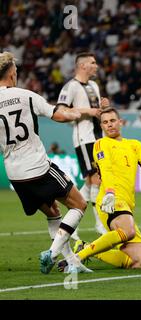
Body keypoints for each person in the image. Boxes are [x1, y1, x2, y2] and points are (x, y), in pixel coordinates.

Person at [0, 51, 90, 274]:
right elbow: (57, 115)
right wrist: (77, 113)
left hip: (15, 174)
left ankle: (71, 263)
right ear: (12, 73)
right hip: (38, 167)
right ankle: (51, 253)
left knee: (53, 211)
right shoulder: (26, 95)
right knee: (79, 204)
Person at [66, 107, 141, 269]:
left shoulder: (135, 145)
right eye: (105, 122)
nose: (109, 125)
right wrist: (110, 192)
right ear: (101, 126)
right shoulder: (101, 144)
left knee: (140, 262)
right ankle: (77, 258)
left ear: (120, 122)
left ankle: (85, 247)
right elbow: (107, 169)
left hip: (127, 204)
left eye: (112, 121)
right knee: (128, 231)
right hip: (110, 200)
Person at [57, 52, 108, 236]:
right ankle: (100, 225)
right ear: (83, 66)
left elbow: (98, 112)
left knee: (90, 181)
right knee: (96, 179)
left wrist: (103, 107)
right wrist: (89, 110)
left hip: (98, 138)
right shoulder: (71, 86)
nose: (96, 66)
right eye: (93, 63)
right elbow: (61, 110)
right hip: (83, 138)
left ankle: (73, 220)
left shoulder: (94, 85)